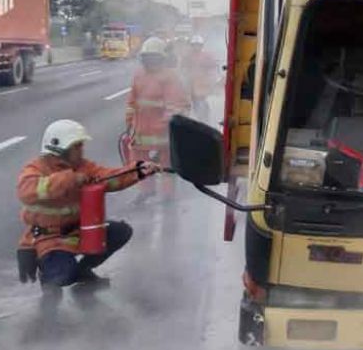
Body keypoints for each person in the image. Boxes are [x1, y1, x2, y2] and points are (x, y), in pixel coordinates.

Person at [16, 119, 164, 288]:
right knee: (61, 276)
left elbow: (109, 178)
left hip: (78, 230)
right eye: (77, 146)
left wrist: (138, 171)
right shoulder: (36, 168)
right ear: (59, 148)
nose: (81, 150)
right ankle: (49, 278)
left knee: (121, 232)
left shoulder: (83, 166)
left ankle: (83, 269)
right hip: (49, 237)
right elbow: (27, 190)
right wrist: (69, 179)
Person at [126, 36, 190, 168]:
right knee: (141, 170)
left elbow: (175, 107)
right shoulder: (138, 75)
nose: (150, 61)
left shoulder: (169, 77)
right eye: (147, 58)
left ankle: (163, 190)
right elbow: (132, 104)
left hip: (163, 137)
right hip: (141, 136)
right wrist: (130, 125)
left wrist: (160, 128)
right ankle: (147, 190)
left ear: (161, 58)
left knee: (166, 170)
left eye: (153, 57)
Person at [183, 35, 219, 121]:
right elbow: (183, 68)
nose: (196, 47)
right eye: (194, 45)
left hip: (201, 83)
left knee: (200, 101)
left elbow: (213, 67)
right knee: (190, 102)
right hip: (190, 83)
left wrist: (211, 80)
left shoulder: (206, 56)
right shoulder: (188, 56)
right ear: (191, 46)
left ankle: (204, 119)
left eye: (198, 45)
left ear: (201, 46)